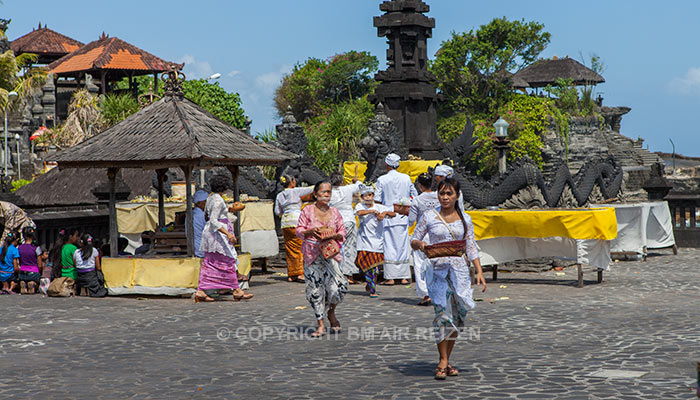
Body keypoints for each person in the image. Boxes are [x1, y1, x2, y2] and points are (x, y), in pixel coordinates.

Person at [411, 177, 487, 380]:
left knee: (458, 317)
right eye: (442, 193)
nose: (445, 197)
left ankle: (447, 357)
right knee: (442, 315)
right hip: (438, 273)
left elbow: (470, 245)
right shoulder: (429, 216)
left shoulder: (465, 219)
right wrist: (421, 246)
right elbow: (414, 238)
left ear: (457, 196)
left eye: (449, 193)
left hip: (460, 272)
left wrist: (479, 270)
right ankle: (442, 360)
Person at [295, 180, 347, 337]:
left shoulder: (335, 212)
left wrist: (335, 234)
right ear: (316, 194)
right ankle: (321, 324)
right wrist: (311, 232)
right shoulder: (307, 210)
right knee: (316, 290)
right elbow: (299, 230)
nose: (326, 195)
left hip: (331, 253)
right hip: (312, 254)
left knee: (338, 288)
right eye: (323, 192)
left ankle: (331, 312)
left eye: (329, 192)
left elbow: (342, 231)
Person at [195, 174, 253, 302]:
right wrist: (228, 233)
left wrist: (229, 210)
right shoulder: (217, 200)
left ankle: (201, 290)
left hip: (212, 234)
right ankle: (236, 290)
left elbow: (207, 215)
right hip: (218, 235)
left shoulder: (210, 198)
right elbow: (213, 220)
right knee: (229, 260)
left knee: (210, 263)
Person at [375, 153, 417, 285]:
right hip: (403, 216)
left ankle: (391, 277)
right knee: (402, 246)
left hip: (388, 215)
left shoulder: (382, 180)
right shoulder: (406, 178)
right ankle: (404, 276)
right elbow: (414, 195)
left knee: (389, 246)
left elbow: (377, 200)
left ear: (387, 164)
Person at [354, 184, 395, 298]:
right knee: (366, 265)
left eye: (370, 195)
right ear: (362, 197)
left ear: (373, 195)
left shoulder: (380, 207)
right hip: (364, 241)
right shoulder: (360, 206)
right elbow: (359, 213)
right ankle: (369, 283)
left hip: (377, 242)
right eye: (365, 196)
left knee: (374, 267)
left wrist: (384, 213)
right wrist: (371, 211)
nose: (368, 198)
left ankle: (372, 288)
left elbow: (393, 213)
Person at [274, 175, 314, 282]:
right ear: (292, 182)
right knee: (300, 247)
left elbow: (277, 212)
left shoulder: (279, 195)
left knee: (290, 248)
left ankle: (291, 274)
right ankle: (300, 273)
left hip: (285, 224)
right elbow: (311, 188)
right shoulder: (296, 191)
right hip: (296, 222)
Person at [408, 173, 439, 306]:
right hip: (438, 233)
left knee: (420, 265)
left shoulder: (417, 200)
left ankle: (426, 294)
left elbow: (410, 221)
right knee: (437, 263)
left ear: (420, 186)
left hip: (422, 235)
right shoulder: (440, 197)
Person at [329, 171, 362, 283]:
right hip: (349, 220)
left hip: (335, 222)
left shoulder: (329, 193)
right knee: (349, 247)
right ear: (342, 181)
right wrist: (355, 180)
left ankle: (336, 273)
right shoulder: (348, 189)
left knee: (335, 247)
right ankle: (348, 275)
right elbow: (360, 185)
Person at [17, 227, 43, 294]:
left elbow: (19, 261)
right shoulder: (36, 248)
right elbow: (40, 265)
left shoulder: (19, 248)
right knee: (38, 282)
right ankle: (33, 284)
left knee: (24, 279)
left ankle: (24, 284)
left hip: (22, 272)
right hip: (33, 272)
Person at [191, 190, 209, 258]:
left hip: (194, 247)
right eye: (205, 202)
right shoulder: (201, 216)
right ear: (199, 203)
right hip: (201, 250)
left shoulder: (192, 214)